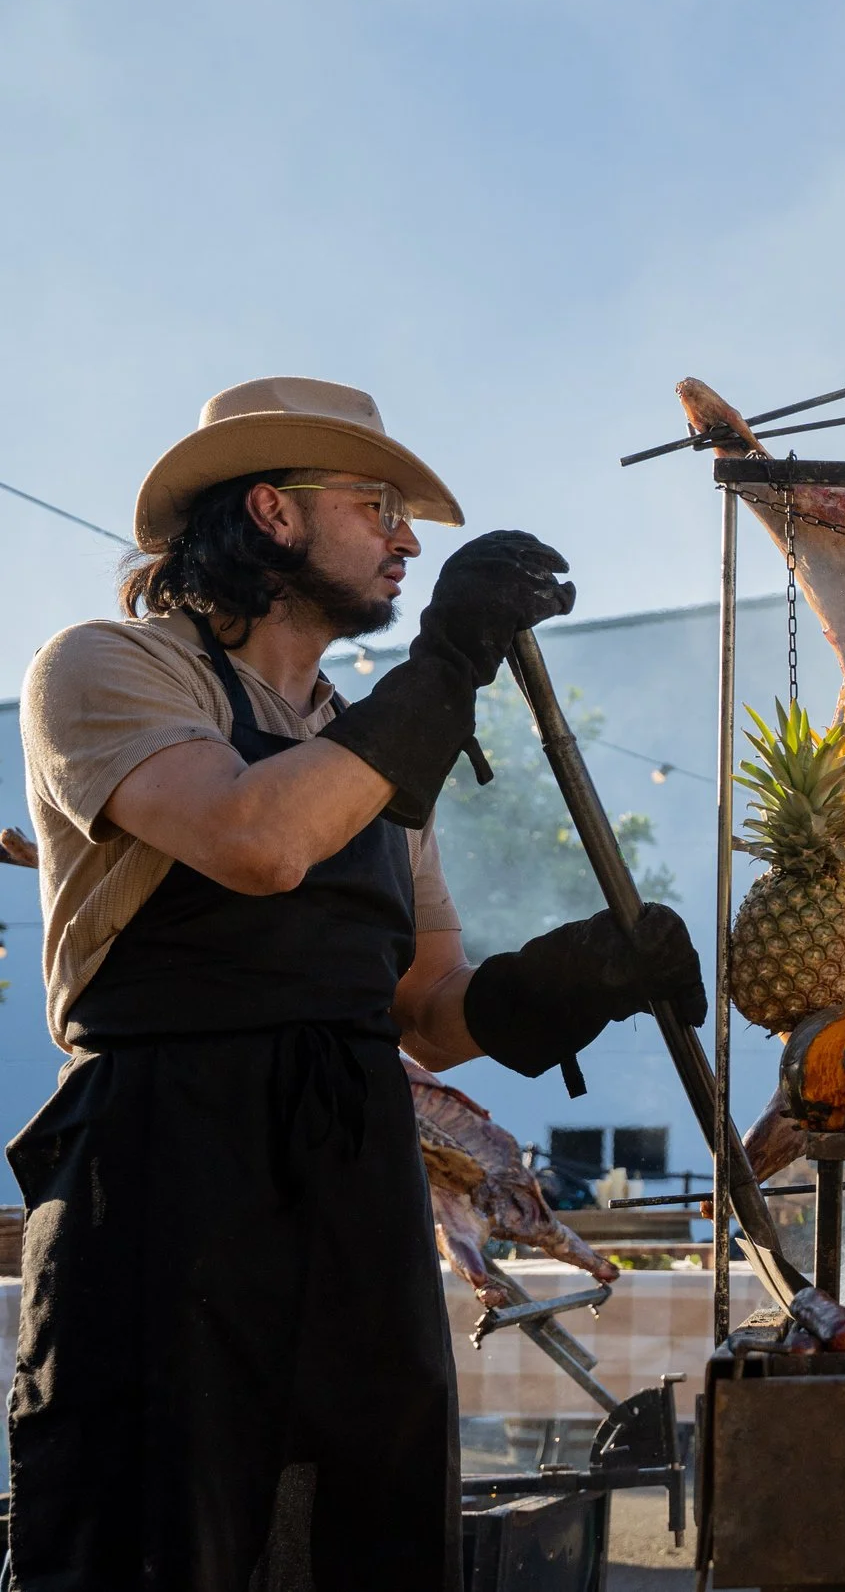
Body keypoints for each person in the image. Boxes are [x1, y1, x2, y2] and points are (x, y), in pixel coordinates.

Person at [11, 376, 708, 1588]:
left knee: (367, 1531)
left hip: (352, 1172)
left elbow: (428, 1012)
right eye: (375, 505)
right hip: (169, 1161)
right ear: (272, 510)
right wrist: (445, 663)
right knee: (150, 1534)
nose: (406, 539)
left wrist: (577, 976)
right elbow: (256, 839)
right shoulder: (105, 668)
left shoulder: (370, 750)